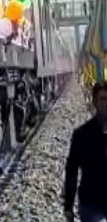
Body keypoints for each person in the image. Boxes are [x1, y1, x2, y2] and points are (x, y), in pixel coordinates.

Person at [64, 82, 107, 222]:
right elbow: (72, 171)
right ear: (94, 102)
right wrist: (68, 207)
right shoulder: (82, 135)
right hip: (91, 204)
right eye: (103, 99)